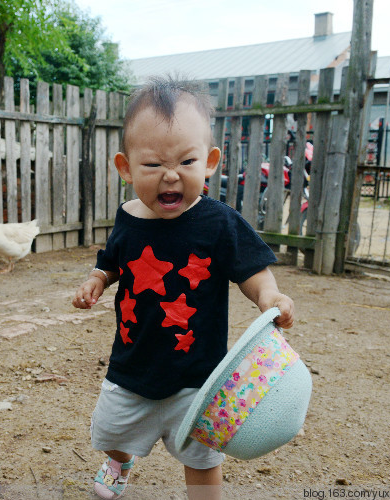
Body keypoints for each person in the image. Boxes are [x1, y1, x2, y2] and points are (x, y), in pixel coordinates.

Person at [72, 76, 295, 500]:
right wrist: (97, 280)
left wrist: (269, 295)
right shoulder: (129, 217)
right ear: (125, 168)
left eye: (186, 163)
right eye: (153, 165)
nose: (170, 176)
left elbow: (252, 269)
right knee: (113, 429)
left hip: (200, 375)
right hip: (132, 366)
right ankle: (120, 461)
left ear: (210, 161)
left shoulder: (219, 222)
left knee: (202, 456)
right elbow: (113, 259)